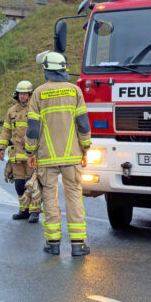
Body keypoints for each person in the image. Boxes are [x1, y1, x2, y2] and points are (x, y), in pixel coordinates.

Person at [25, 52, 92, 257]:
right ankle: (78, 245)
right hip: (72, 156)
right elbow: (83, 124)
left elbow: (33, 128)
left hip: (46, 158)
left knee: (50, 198)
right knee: (74, 197)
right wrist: (85, 147)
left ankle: (53, 243)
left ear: (46, 70)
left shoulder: (39, 93)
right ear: (62, 70)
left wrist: (30, 151)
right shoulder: (75, 91)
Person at [0, 80, 39, 222]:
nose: (23, 96)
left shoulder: (35, 109)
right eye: (21, 94)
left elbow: (40, 129)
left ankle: (34, 211)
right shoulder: (11, 111)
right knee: (19, 185)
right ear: (17, 94)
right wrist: (1, 148)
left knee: (32, 184)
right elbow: (6, 131)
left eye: (25, 94)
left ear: (30, 95)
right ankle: (24, 210)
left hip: (31, 155)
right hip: (16, 155)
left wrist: (29, 138)